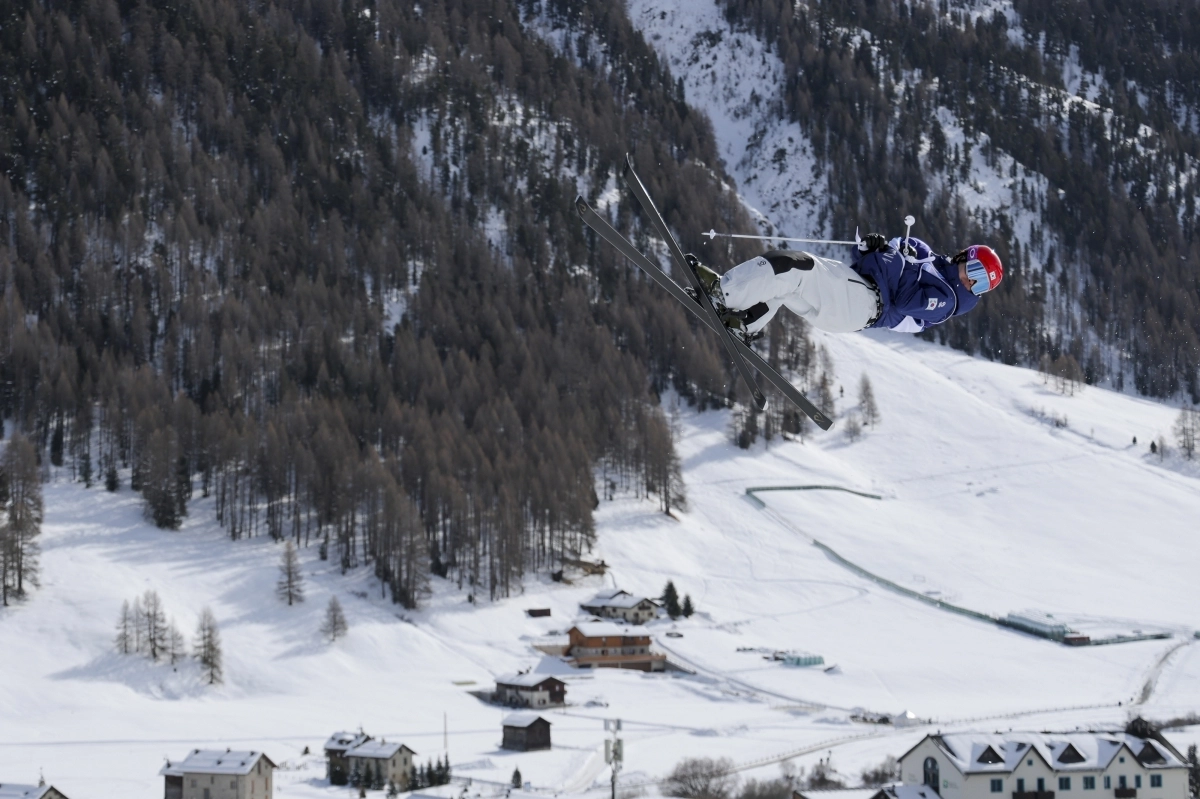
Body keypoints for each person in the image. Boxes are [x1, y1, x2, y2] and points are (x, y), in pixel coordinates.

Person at [693, 232, 1003, 339]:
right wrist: (871, 248)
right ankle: (744, 322)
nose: (970, 282)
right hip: (855, 288)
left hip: (863, 304)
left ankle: (723, 294)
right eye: (974, 271)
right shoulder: (926, 258)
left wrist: (897, 257)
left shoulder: (946, 301)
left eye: (979, 286)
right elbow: (874, 265)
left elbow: (905, 300)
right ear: (965, 256)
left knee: (791, 266)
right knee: (785, 284)